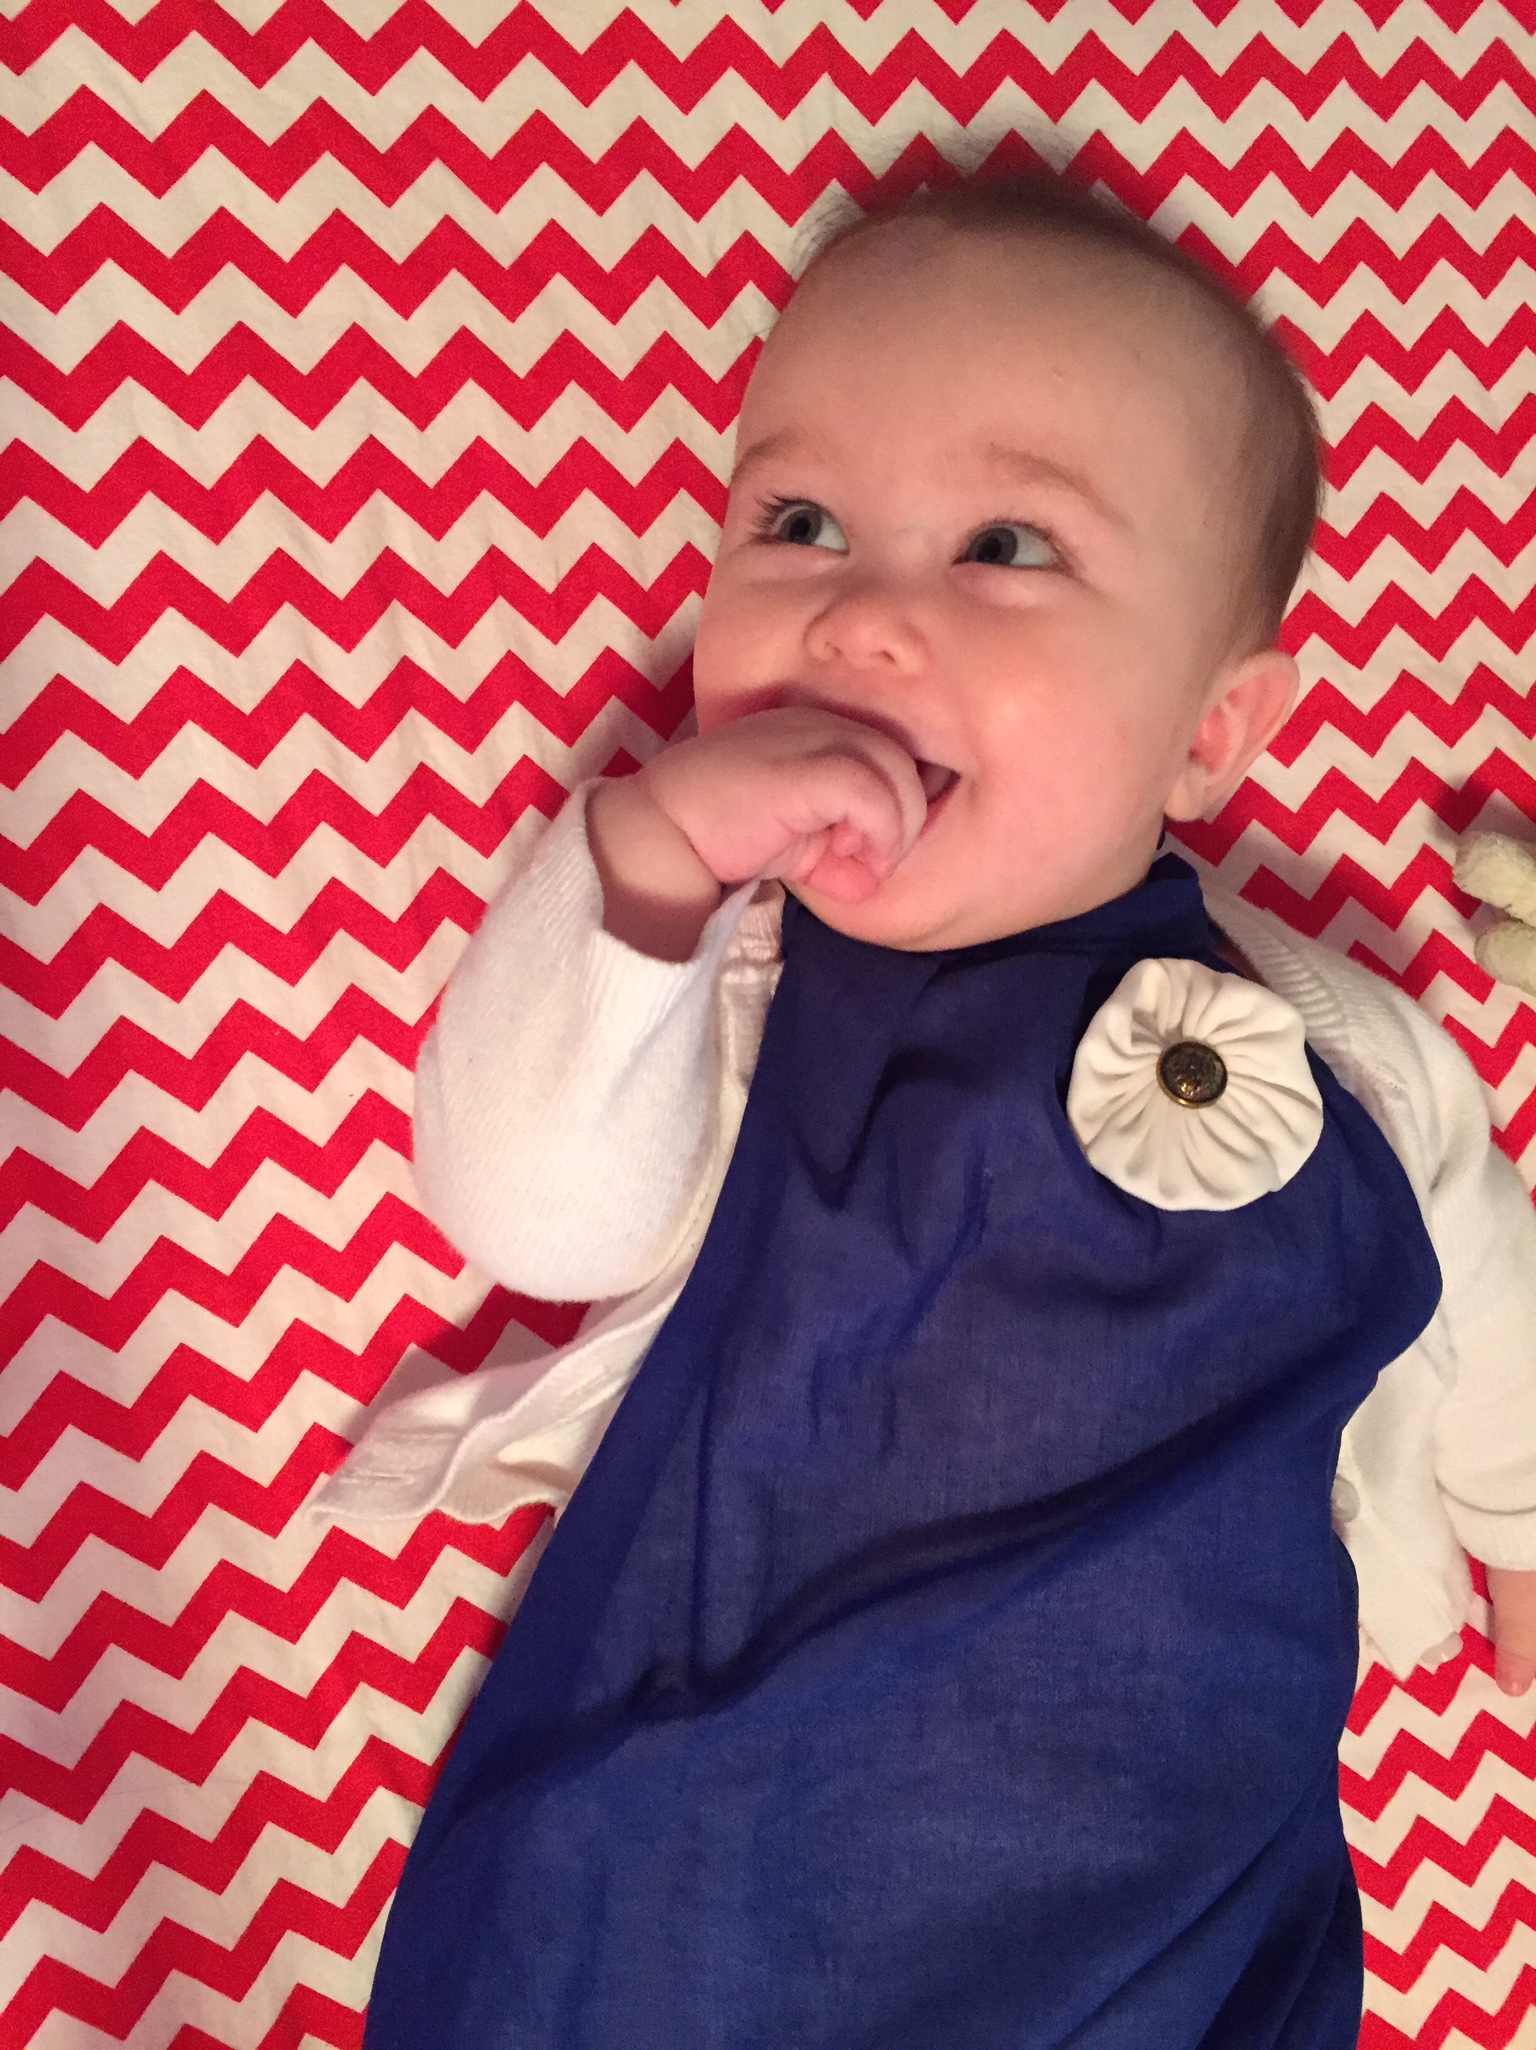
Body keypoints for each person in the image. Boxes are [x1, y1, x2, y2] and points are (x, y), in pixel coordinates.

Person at [335, 175, 1536, 2048]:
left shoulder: (1333, 1039)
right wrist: (648, 865)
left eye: (1006, 546)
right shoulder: (734, 991)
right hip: (701, 1860)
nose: (862, 619)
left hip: (1178, 1892)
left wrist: (1517, 1514)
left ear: (1211, 730)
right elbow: (526, 1209)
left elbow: (1478, 1255)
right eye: (796, 523)